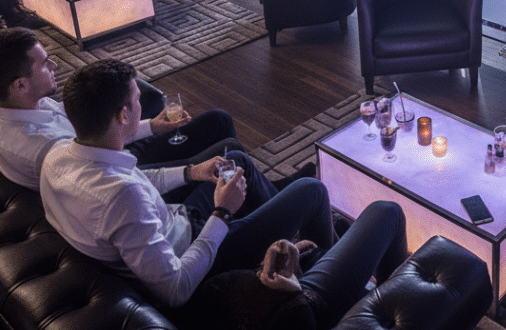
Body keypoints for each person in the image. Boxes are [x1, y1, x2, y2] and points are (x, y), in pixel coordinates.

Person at [40, 59, 336, 308]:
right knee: (312, 190)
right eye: (137, 99)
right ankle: (326, 272)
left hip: (177, 220)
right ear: (124, 115)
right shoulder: (120, 197)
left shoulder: (59, 153)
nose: (142, 105)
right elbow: (177, 290)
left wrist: (192, 172)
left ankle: (284, 234)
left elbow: (137, 180)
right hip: (199, 259)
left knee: (235, 160)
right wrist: (222, 213)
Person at [0, 28, 273, 190]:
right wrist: (189, 172)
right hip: (121, 170)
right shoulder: (44, 149)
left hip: (107, 153)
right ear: (20, 85)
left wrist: (152, 125)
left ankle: (262, 186)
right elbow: (114, 168)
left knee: (218, 120)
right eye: (45, 65)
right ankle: (255, 191)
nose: (55, 66)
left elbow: (92, 127)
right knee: (230, 149)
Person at [185, 201, 407, 330]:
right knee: (388, 211)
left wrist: (264, 270)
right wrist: (294, 292)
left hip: (264, 295)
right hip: (298, 308)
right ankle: (390, 303)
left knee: (315, 193)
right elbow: (299, 326)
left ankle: (329, 257)